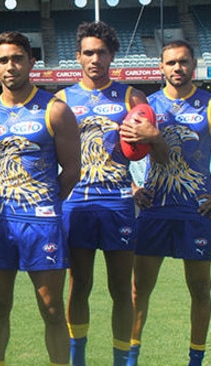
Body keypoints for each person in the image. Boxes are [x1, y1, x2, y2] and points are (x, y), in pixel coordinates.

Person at [54, 21, 167, 366]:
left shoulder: (133, 97)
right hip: (77, 204)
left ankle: (122, 362)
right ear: (77, 57)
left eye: (102, 52)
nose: (95, 59)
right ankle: (78, 360)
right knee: (80, 286)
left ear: (112, 55)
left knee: (121, 289)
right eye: (88, 52)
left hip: (118, 204)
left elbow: (158, 156)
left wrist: (151, 144)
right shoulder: (61, 99)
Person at [0, 31, 81, 366]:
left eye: (18, 58)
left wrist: (45, 205)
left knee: (52, 311)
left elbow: (72, 170)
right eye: (4, 60)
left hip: (43, 225)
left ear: (31, 62)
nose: (11, 66)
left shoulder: (55, 110)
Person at [127, 40, 211, 366]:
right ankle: (131, 357)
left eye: (184, 62)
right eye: (171, 63)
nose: (178, 68)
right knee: (139, 291)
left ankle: (195, 360)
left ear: (194, 65)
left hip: (196, 211)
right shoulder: (146, 108)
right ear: (160, 67)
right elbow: (116, 153)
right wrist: (133, 187)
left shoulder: (207, 104)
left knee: (201, 292)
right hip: (155, 208)